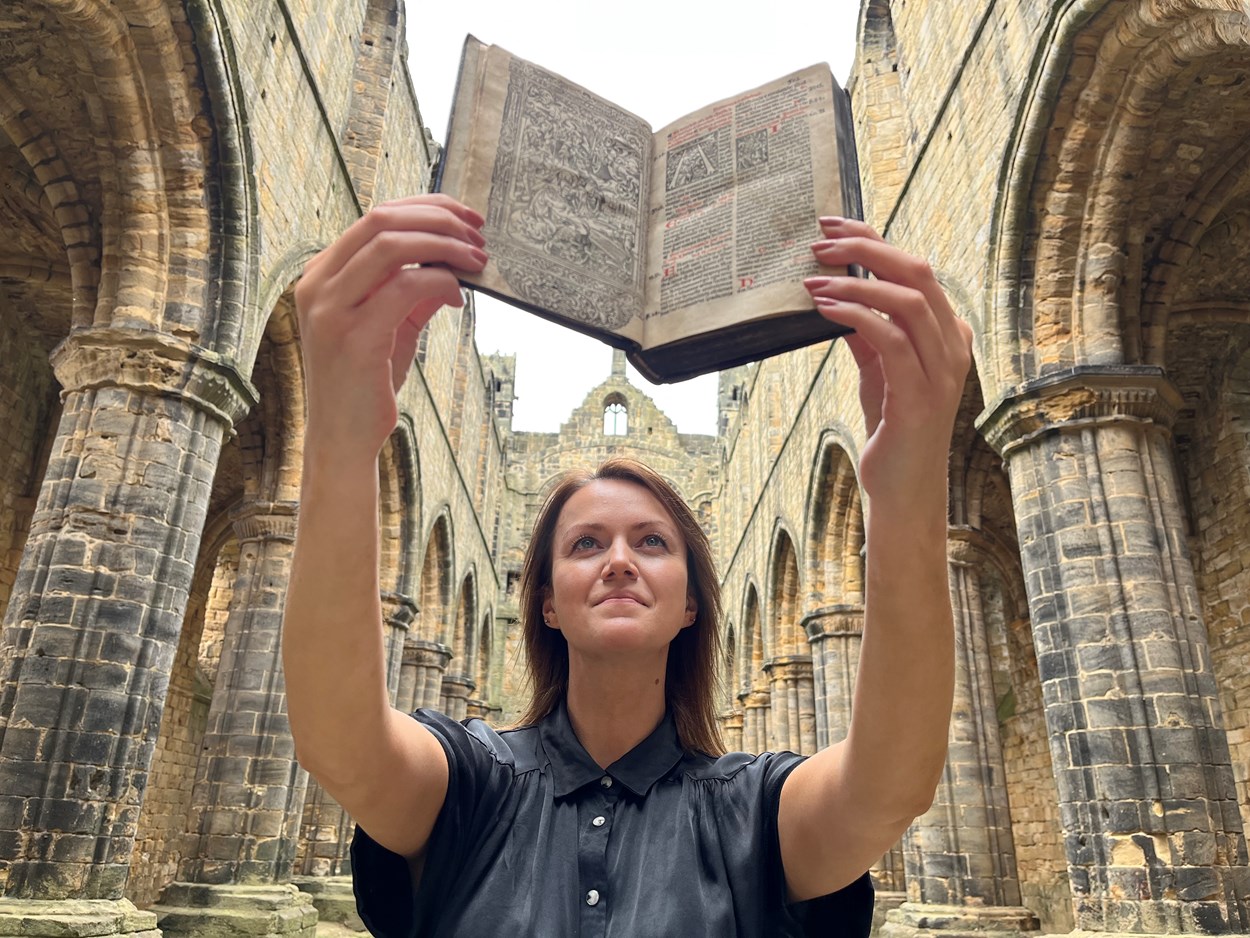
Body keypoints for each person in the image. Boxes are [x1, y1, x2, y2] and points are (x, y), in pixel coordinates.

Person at [283, 193, 973, 936]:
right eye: (585, 543)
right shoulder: (472, 786)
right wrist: (344, 438)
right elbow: (341, 740)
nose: (618, 560)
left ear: (690, 603)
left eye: (652, 542)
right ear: (545, 601)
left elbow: (889, 786)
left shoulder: (754, 811)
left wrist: (906, 485)